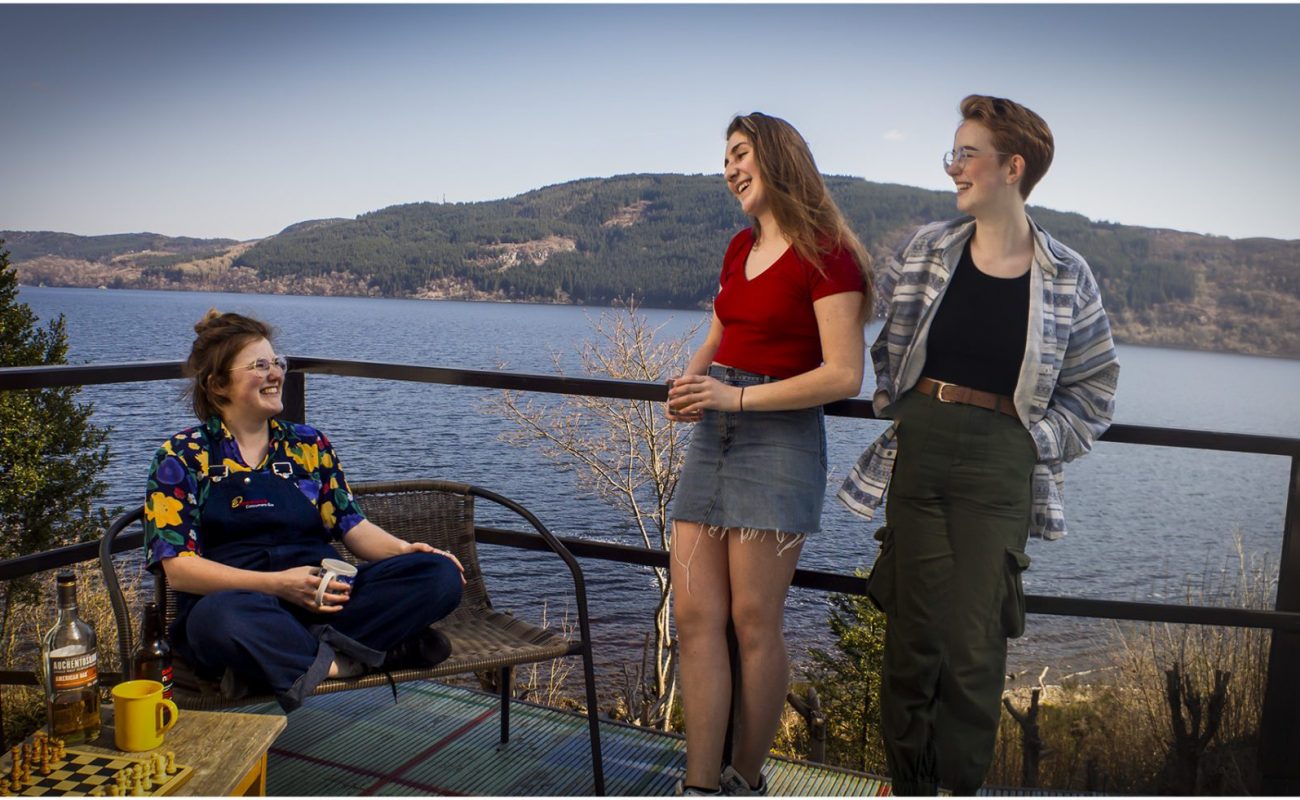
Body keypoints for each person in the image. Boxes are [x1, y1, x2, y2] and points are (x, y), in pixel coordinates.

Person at [838, 95, 1120, 794]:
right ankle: (907, 785)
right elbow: (883, 341)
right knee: (911, 642)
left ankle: (956, 789)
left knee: (973, 651)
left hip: (1003, 460)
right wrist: (898, 404)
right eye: (953, 153)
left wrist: (1037, 442)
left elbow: (1096, 387)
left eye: (966, 153)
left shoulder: (1065, 275)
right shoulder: (926, 249)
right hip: (923, 445)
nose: (953, 167)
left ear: (1011, 167)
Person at [666, 112, 871, 796]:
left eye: (740, 153)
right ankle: (698, 785)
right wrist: (690, 385)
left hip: (779, 439)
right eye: (724, 158)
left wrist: (738, 401)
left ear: (779, 158)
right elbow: (718, 337)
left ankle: (742, 779)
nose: (729, 169)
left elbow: (845, 375)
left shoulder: (828, 252)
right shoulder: (738, 248)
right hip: (714, 433)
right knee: (695, 615)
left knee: (755, 624)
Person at [143, 309, 465, 712]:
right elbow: (179, 568)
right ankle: (349, 659)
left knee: (439, 575)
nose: (276, 373)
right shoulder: (181, 456)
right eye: (259, 365)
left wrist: (406, 551)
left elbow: (351, 525)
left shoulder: (309, 445)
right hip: (247, 601)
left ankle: (288, 660)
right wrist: (279, 584)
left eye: (277, 362)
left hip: (325, 597)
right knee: (217, 621)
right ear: (218, 384)